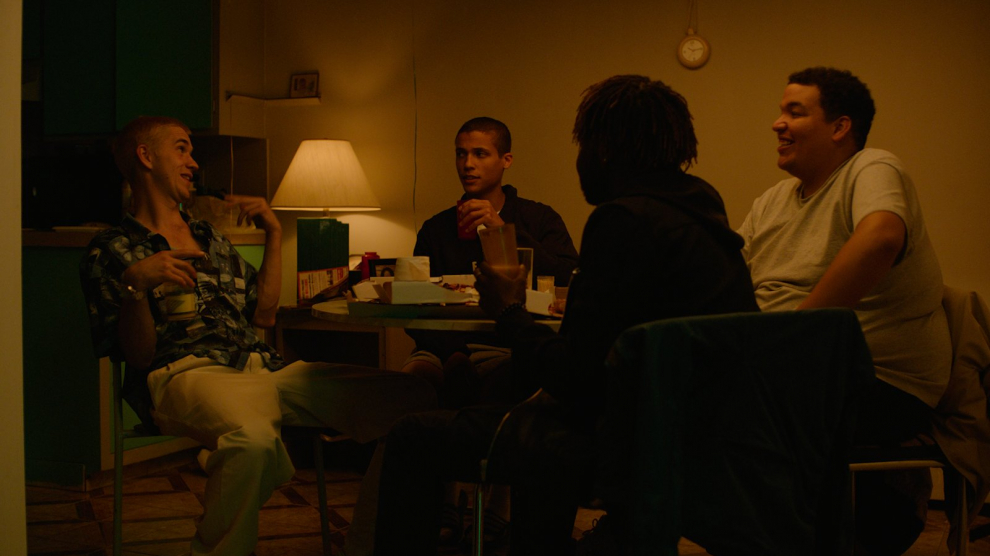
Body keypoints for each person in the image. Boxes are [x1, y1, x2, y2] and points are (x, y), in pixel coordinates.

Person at [372, 75, 758, 556]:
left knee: (412, 435)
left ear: (603, 151)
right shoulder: (703, 214)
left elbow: (575, 381)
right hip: (699, 442)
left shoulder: (622, 221)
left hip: (622, 446)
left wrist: (508, 310)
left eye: (583, 145)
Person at [79, 116, 436, 556]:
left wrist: (273, 233)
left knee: (412, 399)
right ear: (145, 156)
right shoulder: (111, 249)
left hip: (262, 368)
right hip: (185, 372)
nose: (194, 162)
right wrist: (136, 287)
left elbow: (264, 315)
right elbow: (138, 357)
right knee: (253, 440)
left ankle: (370, 545)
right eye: (182, 149)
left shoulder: (209, 236)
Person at [737, 67, 951, 555]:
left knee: (724, 413)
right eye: (781, 111)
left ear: (840, 127)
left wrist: (792, 340)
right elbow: (730, 279)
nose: (777, 123)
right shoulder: (771, 202)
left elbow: (880, 239)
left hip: (876, 382)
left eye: (795, 112)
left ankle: (876, 518)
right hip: (794, 375)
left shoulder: (870, 168)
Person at [403, 116, 579, 403]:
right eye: (461, 154)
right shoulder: (436, 229)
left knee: (506, 379)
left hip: (509, 342)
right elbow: (414, 307)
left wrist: (503, 231)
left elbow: (568, 278)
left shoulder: (540, 219)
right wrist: (452, 353)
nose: (467, 164)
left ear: (506, 160)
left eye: (480, 154)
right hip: (443, 346)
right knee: (413, 380)